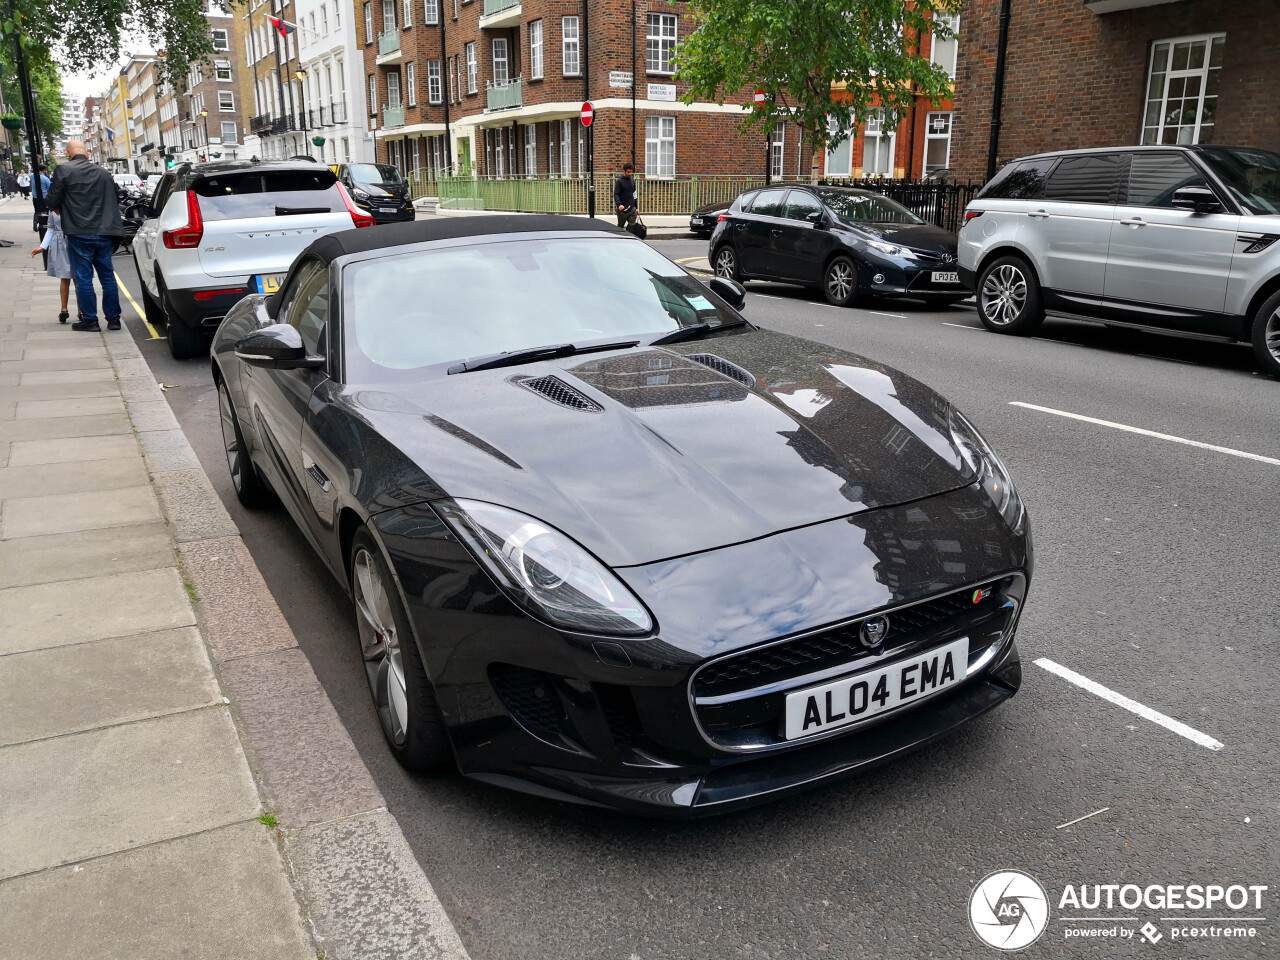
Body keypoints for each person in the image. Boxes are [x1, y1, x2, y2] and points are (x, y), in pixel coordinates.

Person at [45, 139, 124, 332]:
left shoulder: (64, 170)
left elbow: (52, 200)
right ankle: (113, 320)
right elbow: (116, 197)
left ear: (68, 153)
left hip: (79, 232)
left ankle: (91, 320)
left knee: (84, 277)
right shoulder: (103, 173)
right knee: (107, 277)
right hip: (105, 232)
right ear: (87, 153)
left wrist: (59, 208)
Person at [30, 209, 72, 323]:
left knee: (78, 278)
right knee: (65, 277)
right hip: (61, 243)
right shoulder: (55, 208)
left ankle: (80, 311)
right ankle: (64, 310)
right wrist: (43, 246)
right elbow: (51, 228)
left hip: (75, 241)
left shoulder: (72, 203)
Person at [614, 163, 638, 230]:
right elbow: (616, 194)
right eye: (628, 172)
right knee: (620, 227)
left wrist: (636, 207)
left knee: (632, 225)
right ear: (624, 171)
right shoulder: (619, 181)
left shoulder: (632, 181)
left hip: (632, 208)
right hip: (622, 209)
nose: (630, 174)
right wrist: (619, 204)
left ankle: (629, 236)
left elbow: (634, 194)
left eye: (631, 172)